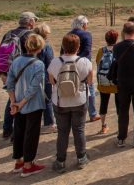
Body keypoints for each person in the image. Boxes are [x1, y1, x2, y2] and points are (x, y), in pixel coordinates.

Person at [48, 33, 92, 173]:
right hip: (79, 100)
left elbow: (51, 81)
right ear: (78, 47)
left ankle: (60, 161)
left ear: (63, 46)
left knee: (62, 132)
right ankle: (81, 158)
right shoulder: (84, 61)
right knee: (79, 130)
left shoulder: (55, 62)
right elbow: (90, 82)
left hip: (60, 101)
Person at [6, 33, 46, 177]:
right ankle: (28, 165)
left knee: (18, 132)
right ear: (40, 47)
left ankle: (19, 161)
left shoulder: (16, 61)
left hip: (17, 102)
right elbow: (34, 88)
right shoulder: (38, 64)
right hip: (33, 104)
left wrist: (13, 102)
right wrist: (21, 103)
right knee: (31, 134)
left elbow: (9, 82)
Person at [0, 11, 37, 139]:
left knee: (12, 99)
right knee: (24, 101)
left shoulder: (9, 33)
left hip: (8, 72)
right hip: (23, 72)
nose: (35, 23)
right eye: (34, 20)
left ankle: (7, 129)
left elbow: (1, 55)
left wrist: (2, 73)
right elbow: (33, 54)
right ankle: (18, 133)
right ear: (30, 22)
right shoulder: (30, 35)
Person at [67, 15, 99, 122]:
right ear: (83, 24)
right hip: (83, 63)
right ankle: (93, 113)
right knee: (89, 88)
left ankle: (72, 112)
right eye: (87, 24)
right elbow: (87, 51)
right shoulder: (86, 34)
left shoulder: (68, 34)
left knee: (71, 86)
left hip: (69, 63)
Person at [33, 23, 56, 134]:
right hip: (45, 76)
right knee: (48, 100)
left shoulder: (31, 42)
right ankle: (49, 123)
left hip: (32, 75)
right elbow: (50, 62)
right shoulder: (46, 46)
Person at [96, 29, 119, 134]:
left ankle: (103, 126)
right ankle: (120, 126)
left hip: (103, 82)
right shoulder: (119, 49)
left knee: (103, 103)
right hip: (116, 82)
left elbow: (97, 62)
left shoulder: (101, 50)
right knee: (119, 104)